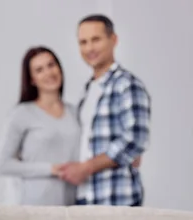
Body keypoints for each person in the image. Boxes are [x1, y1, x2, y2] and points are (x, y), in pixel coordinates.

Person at [58, 14, 150, 206]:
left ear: (113, 40)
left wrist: (86, 168)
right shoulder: (88, 91)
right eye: (83, 42)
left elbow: (135, 139)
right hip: (85, 197)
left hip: (116, 197)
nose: (89, 48)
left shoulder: (126, 84)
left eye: (96, 39)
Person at [0, 46, 81, 205]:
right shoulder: (22, 114)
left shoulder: (75, 112)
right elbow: (3, 165)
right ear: (32, 79)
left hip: (72, 205)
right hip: (35, 205)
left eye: (51, 65)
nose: (48, 73)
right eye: (39, 70)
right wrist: (51, 169)